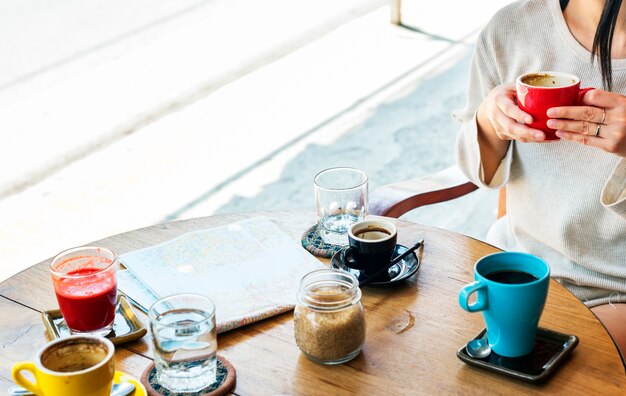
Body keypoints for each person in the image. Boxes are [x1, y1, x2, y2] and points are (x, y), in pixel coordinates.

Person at [454, 0, 626, 356]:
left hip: (615, 290)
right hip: (515, 268)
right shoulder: (511, 29)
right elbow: (478, 172)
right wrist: (489, 122)